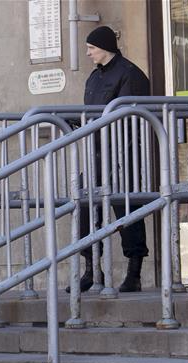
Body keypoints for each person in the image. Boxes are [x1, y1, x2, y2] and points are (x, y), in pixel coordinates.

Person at [75, 25, 151, 293]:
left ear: (105, 48)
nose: (87, 53)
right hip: (96, 154)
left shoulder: (131, 74)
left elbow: (133, 116)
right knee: (83, 209)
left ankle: (134, 274)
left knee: (127, 211)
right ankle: (92, 270)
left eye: (91, 48)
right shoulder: (93, 79)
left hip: (123, 152)